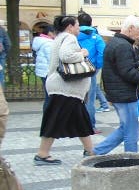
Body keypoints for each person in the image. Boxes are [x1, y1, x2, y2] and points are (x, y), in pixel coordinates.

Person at [93, 15, 139, 155]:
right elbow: (129, 74)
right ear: (130, 29)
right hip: (124, 95)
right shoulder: (123, 46)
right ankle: (131, 159)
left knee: (126, 128)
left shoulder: (115, 43)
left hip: (119, 93)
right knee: (131, 132)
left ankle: (97, 151)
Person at [34, 16, 95, 165]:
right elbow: (66, 56)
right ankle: (42, 154)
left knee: (81, 120)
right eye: (77, 26)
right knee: (54, 120)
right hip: (65, 88)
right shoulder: (69, 37)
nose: (79, 29)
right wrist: (83, 54)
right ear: (69, 27)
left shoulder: (60, 37)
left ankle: (90, 151)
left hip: (67, 89)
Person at [77, 12, 106, 133]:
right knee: (90, 99)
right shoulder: (96, 37)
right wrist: (97, 66)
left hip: (75, 70)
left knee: (76, 98)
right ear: (91, 23)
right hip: (90, 70)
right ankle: (90, 126)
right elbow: (102, 53)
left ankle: (75, 125)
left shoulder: (73, 36)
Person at [32, 26, 55, 110]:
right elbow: (52, 59)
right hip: (48, 72)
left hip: (43, 72)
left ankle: (48, 114)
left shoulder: (41, 41)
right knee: (50, 96)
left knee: (48, 95)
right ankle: (48, 115)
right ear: (50, 33)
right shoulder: (48, 43)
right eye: (55, 32)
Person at [0, 24, 9, 89]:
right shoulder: (1, 30)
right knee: (0, 73)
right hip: (1, 55)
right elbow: (8, 44)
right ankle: (1, 94)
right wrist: (4, 53)